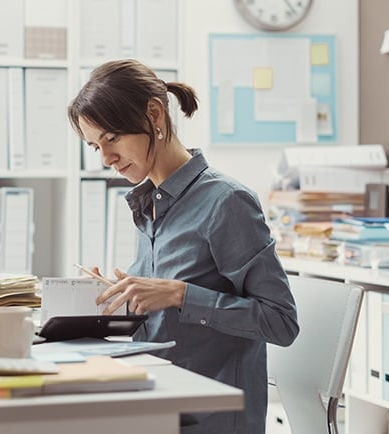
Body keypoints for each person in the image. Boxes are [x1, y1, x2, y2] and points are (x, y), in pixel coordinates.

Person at [67, 59, 300, 434]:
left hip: (210, 418)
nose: (105, 159)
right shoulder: (151, 202)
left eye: (111, 139)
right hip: (159, 401)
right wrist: (121, 298)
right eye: (95, 146)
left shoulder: (226, 202)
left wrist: (179, 295)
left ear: (155, 115)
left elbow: (281, 322)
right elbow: (168, 324)